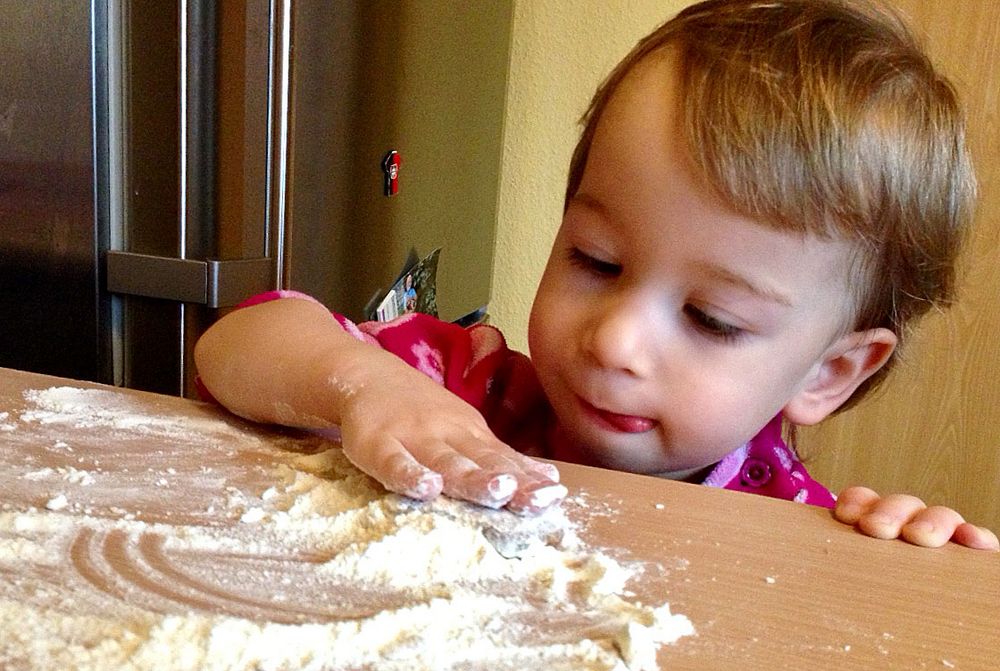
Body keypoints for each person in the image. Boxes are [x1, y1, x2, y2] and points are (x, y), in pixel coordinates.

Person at [195, 0, 998, 551]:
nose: (615, 340)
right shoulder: (468, 394)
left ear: (830, 370)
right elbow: (238, 340)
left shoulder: (790, 531)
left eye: (712, 317)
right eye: (596, 260)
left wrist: (896, 566)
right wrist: (365, 387)